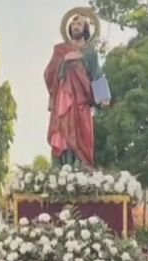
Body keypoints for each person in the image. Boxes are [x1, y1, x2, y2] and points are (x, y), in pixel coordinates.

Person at [43, 12, 106, 169]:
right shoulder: (60, 50)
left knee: (83, 135)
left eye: (79, 24)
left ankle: (81, 166)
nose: (75, 26)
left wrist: (103, 96)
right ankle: (61, 169)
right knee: (62, 134)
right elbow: (48, 74)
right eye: (73, 23)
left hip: (81, 102)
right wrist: (65, 60)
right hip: (62, 101)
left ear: (85, 28)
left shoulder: (90, 53)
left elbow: (97, 74)